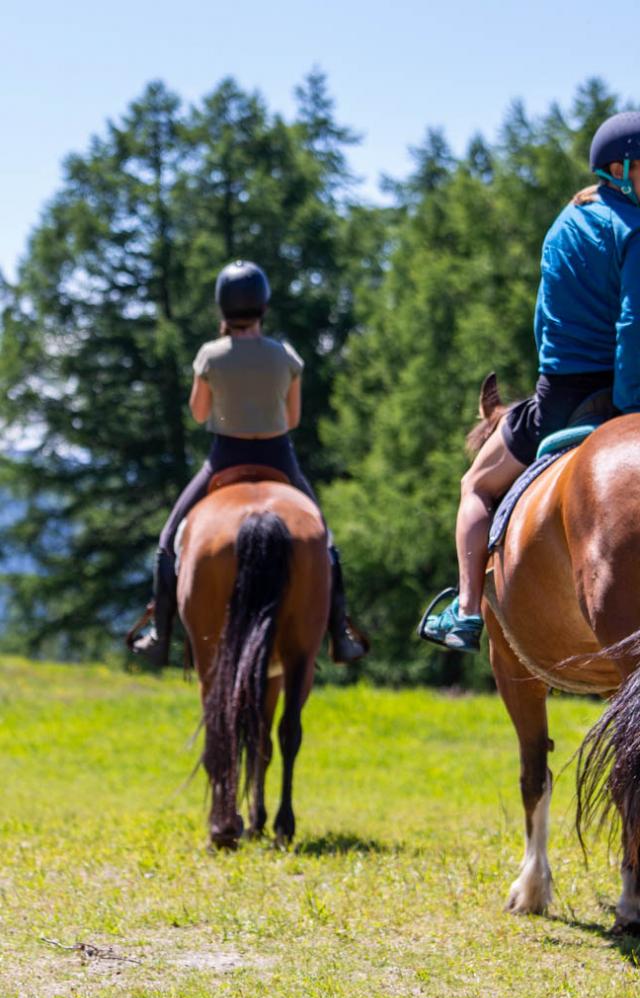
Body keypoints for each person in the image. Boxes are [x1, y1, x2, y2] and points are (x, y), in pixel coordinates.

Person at [418, 110, 640, 653]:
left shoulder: (566, 223)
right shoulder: (634, 228)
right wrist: (630, 404)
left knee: (476, 485)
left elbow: (546, 320)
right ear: (620, 167)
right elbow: (633, 326)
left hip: (561, 397)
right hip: (624, 387)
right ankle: (469, 611)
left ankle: (467, 611)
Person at [130, 259, 367, 667]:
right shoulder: (285, 357)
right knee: (324, 542)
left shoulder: (210, 356)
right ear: (263, 306)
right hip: (280, 459)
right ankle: (340, 630)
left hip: (225, 458)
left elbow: (200, 414)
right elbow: (292, 420)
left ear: (223, 308)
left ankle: (160, 632)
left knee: (169, 540)